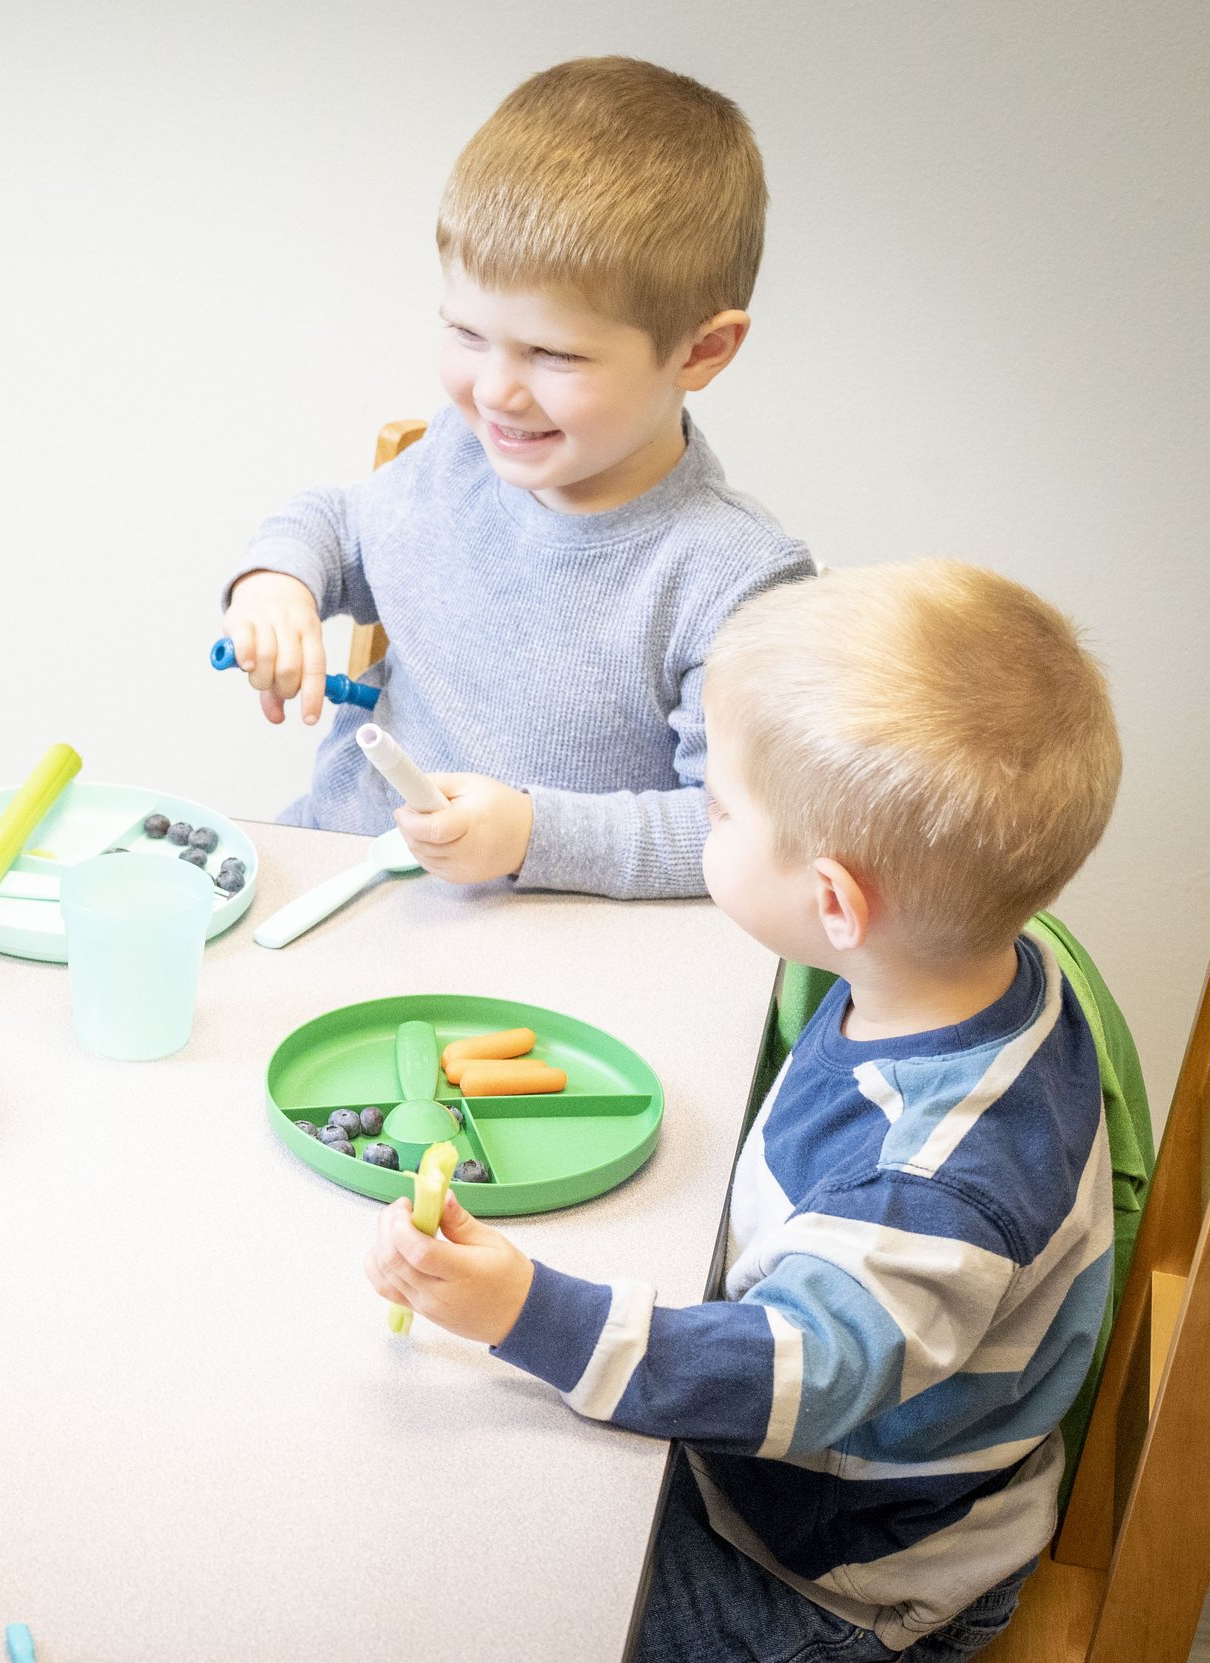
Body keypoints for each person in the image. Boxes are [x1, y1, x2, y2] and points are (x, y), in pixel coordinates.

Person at [364, 561, 1124, 1659]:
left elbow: (794, 1373)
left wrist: (523, 1310)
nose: (700, 819)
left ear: (832, 901)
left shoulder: (932, 1188)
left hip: (834, 1580)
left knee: (473, 1596)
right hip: (814, 1486)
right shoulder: (968, 973)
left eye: (716, 808)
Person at [220, 56, 811, 898]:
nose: (494, 390)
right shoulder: (461, 453)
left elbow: (740, 832)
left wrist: (534, 834)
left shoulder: (734, 582)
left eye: (555, 353)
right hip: (346, 882)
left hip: (545, 952)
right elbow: (342, 527)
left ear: (701, 350)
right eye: (466, 333)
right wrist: (276, 580)